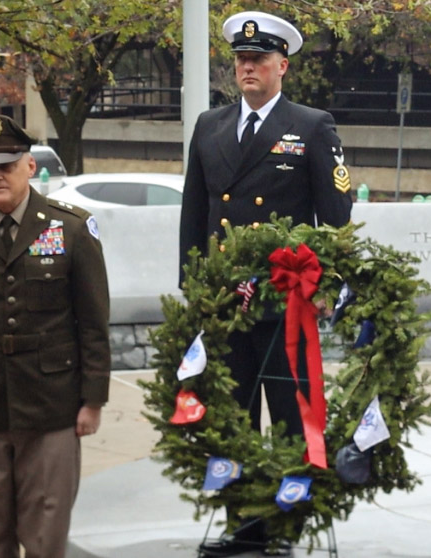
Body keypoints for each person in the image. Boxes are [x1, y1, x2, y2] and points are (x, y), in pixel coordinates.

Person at [178, 11, 352, 558]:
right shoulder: (209, 125)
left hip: (285, 300)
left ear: (283, 66)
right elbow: (194, 213)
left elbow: (336, 217)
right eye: (241, 59)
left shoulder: (311, 125)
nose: (248, 67)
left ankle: (287, 523)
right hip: (227, 301)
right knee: (233, 414)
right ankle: (244, 524)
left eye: (259, 59)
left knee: (290, 414)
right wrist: (194, 286)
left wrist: (326, 283)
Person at [0, 114, 111, 558]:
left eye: (6, 166)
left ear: (29, 166)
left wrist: (92, 400)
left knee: (46, 535)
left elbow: (92, 322)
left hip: (52, 403)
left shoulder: (70, 228)